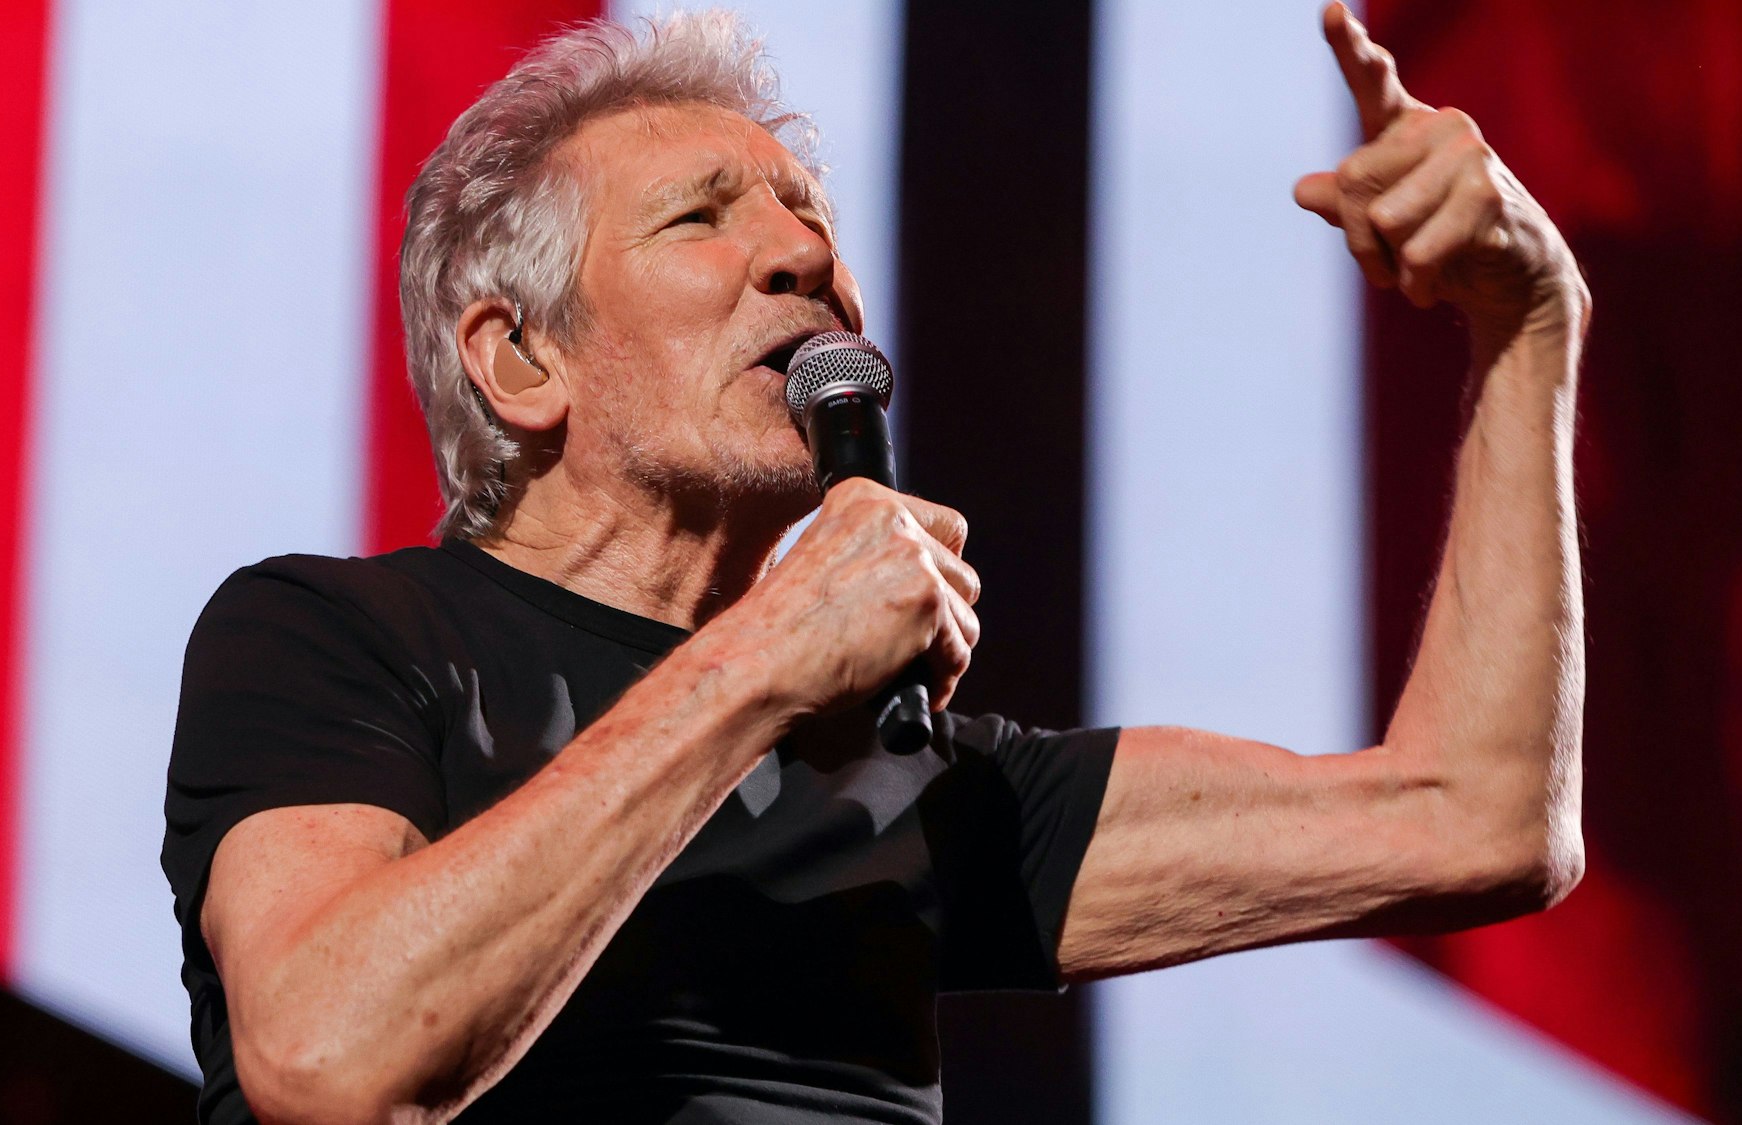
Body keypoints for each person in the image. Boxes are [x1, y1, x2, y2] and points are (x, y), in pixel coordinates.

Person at [160, 5, 1590, 1123]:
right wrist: (766, 663)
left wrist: (1529, 324)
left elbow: (1477, 817)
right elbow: (334, 1061)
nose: (803, 257)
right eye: (704, 216)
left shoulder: (905, 776)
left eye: (810, 222)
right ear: (521, 359)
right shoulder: (333, 637)